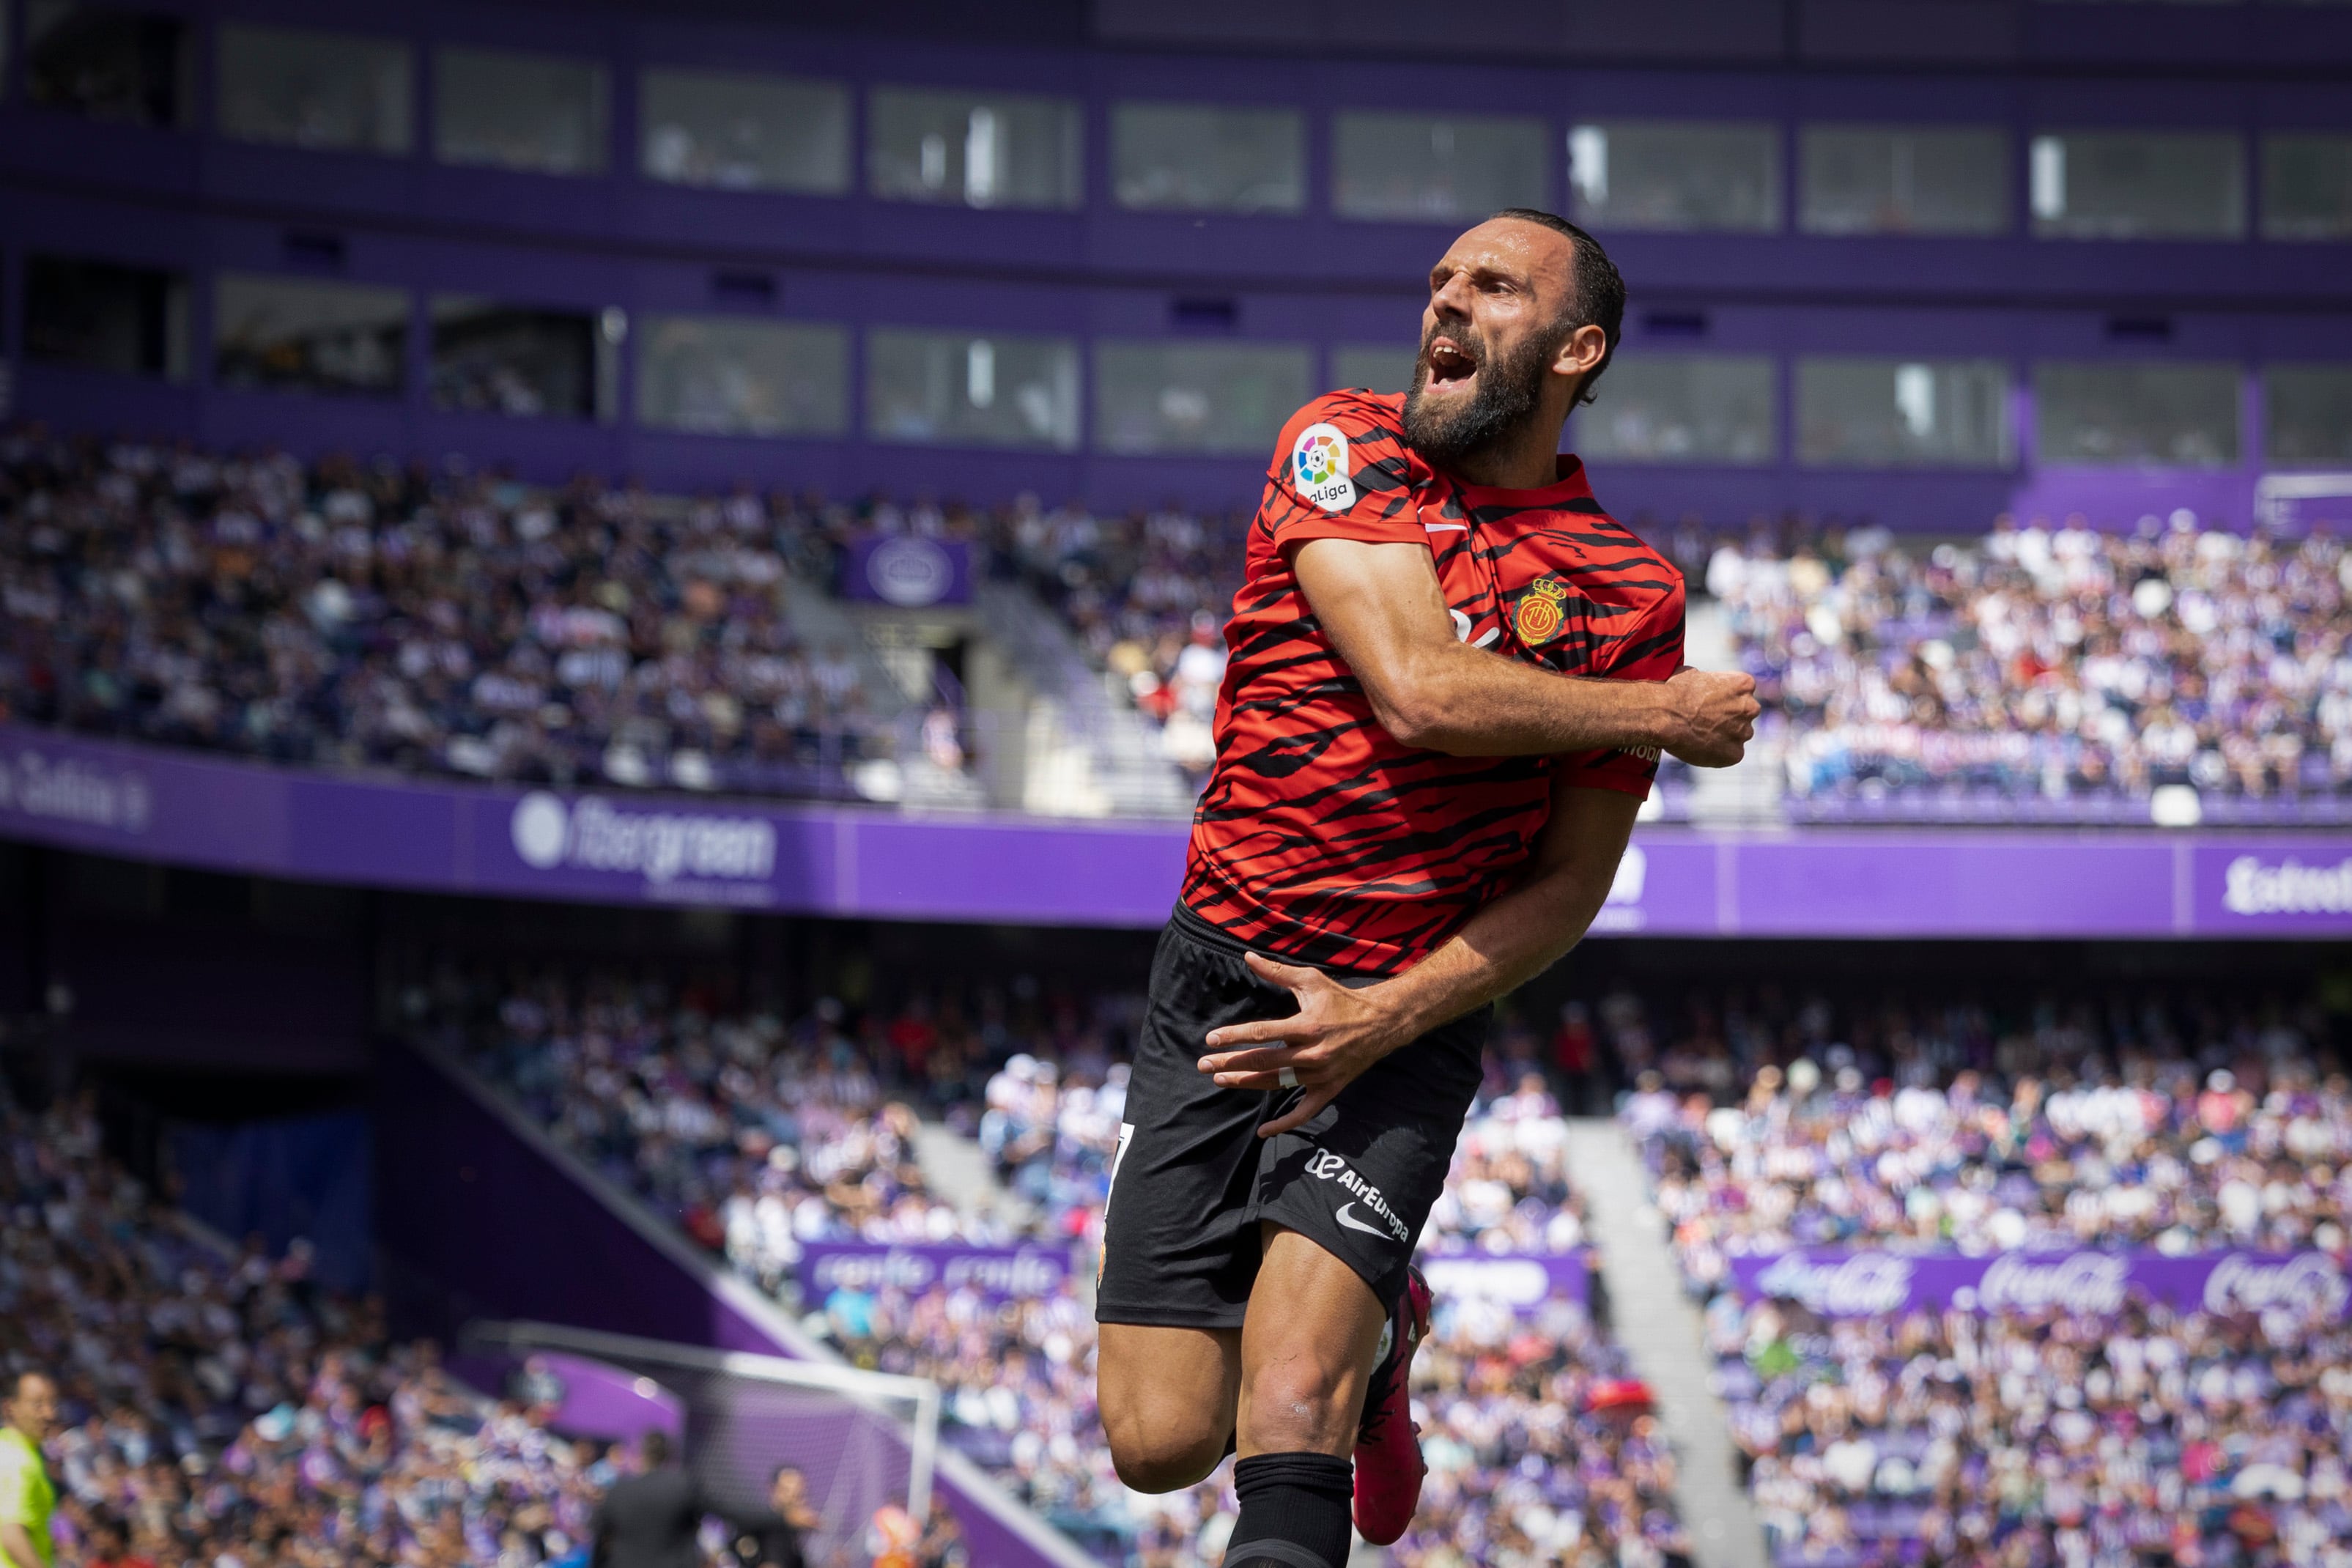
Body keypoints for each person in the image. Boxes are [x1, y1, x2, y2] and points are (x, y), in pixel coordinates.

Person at [1093, 208, 1759, 1568]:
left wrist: (1387, 1016)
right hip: (1226, 980)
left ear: (1578, 349)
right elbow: (1417, 690)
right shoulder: (1341, 442)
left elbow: (1571, 888)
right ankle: (1391, 1330)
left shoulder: (1629, 590)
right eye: (1442, 281)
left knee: (1290, 1409)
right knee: (1160, 1445)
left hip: (1406, 1011)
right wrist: (1653, 716)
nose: (1446, 304)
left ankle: (1355, 1345)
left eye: (1494, 287)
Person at [589, 1430, 711, 1568]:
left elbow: (600, 1537)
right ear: (668, 1455)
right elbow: (720, 1509)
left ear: (641, 1454)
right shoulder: (683, 1488)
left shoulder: (618, 1491)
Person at [0, 1374, 58, 1568]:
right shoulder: (17, 1461)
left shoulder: (9, 1449)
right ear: (9, 1408)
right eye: (37, 1404)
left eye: (52, 1404)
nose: (50, 1414)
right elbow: (11, 1533)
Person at [736, 1464, 818, 1568]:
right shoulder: (767, 1529)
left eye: (799, 1495)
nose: (793, 1500)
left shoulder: (794, 1535)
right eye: (787, 1492)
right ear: (772, 1490)